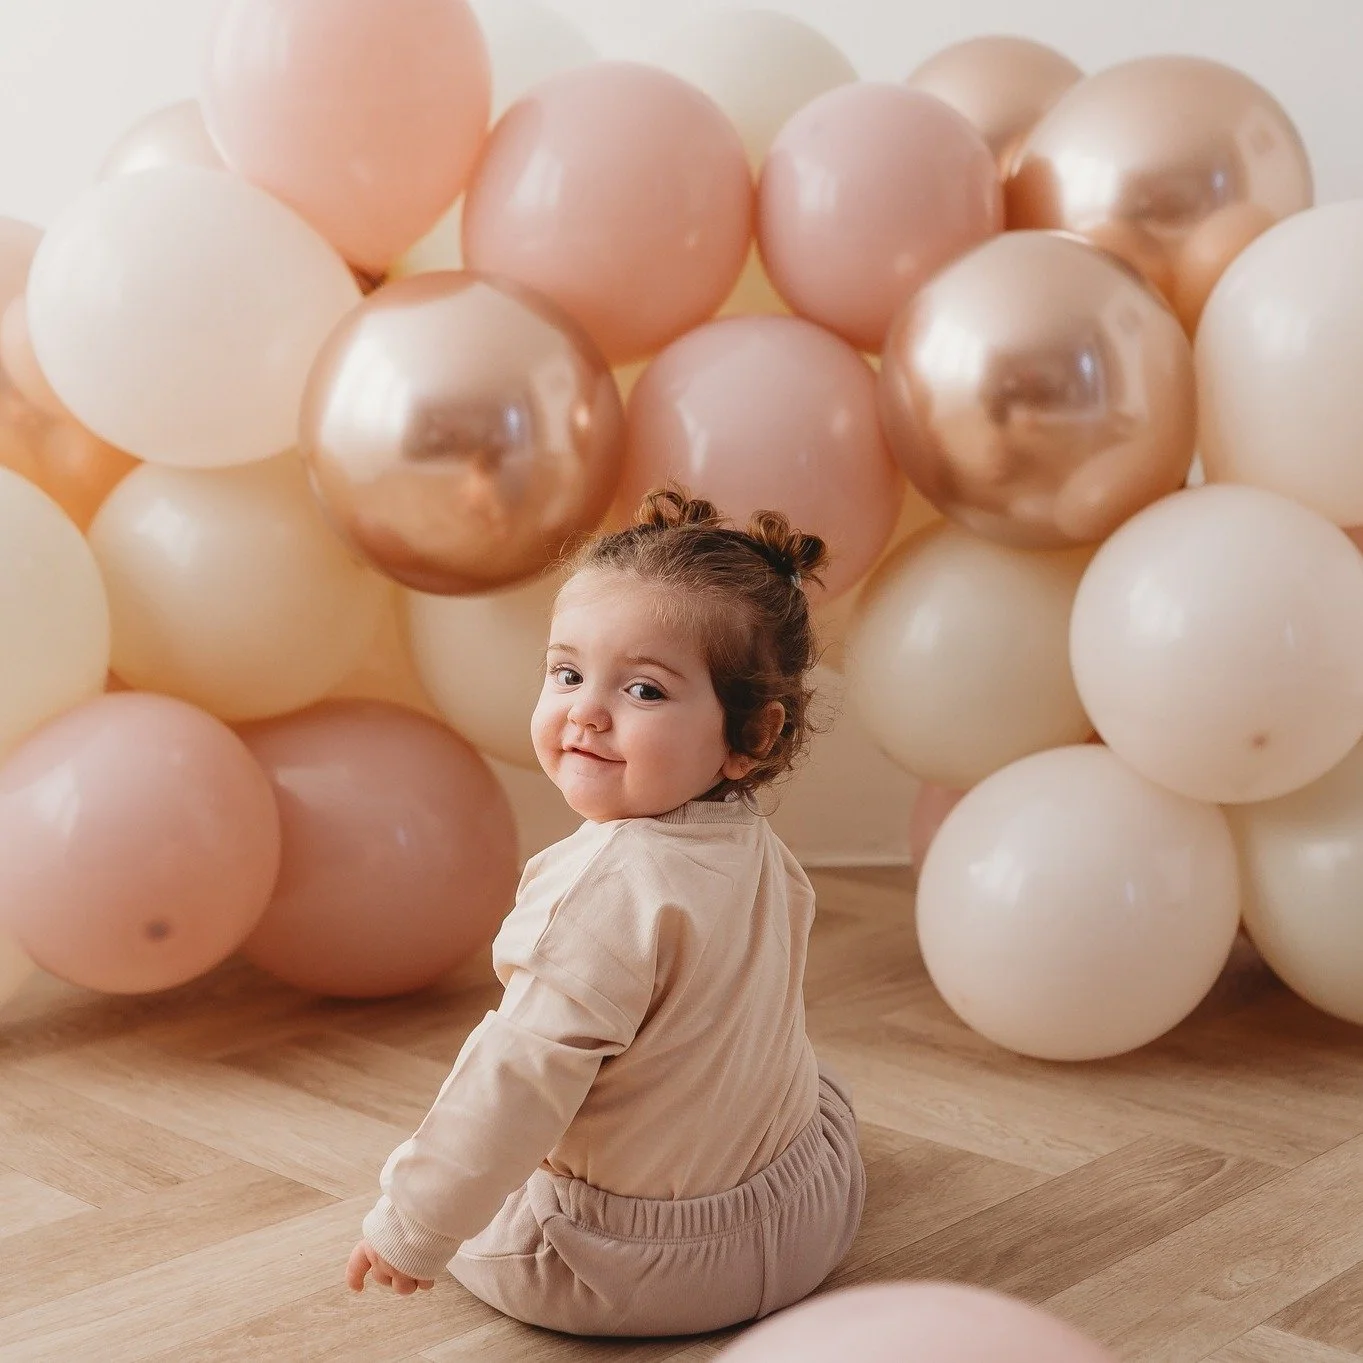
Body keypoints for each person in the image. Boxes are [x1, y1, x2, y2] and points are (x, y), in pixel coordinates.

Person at [346, 486, 866, 1337]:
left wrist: (412, 1226)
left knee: (474, 1180)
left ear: (752, 734)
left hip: (625, 1271)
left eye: (645, 691)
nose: (586, 709)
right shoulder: (754, 847)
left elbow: (513, 1079)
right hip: (803, 1218)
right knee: (821, 1090)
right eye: (567, 672)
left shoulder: (600, 888)